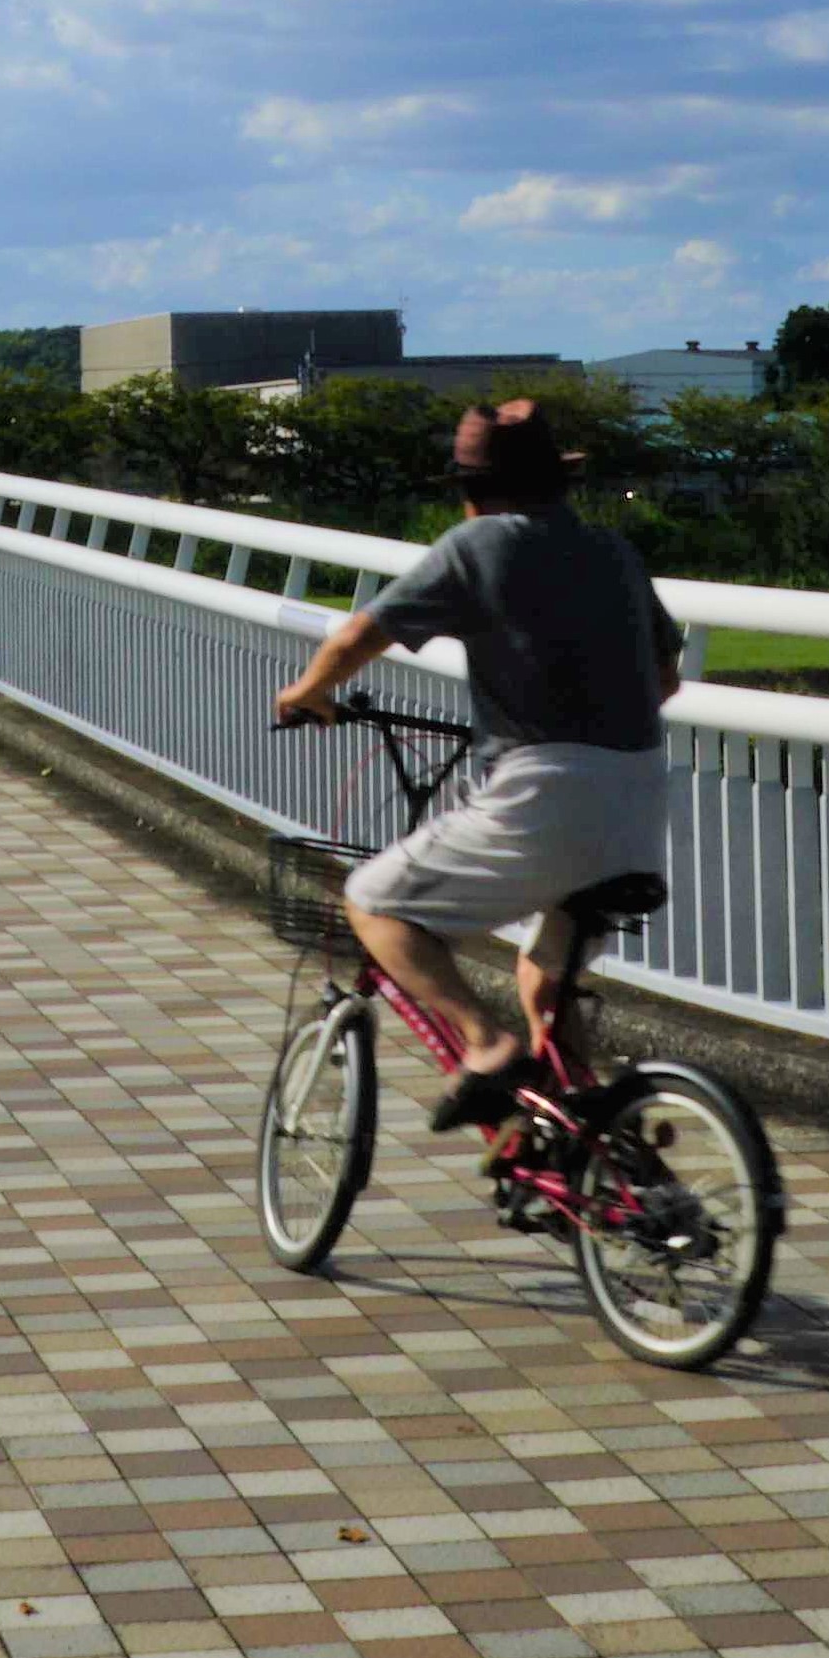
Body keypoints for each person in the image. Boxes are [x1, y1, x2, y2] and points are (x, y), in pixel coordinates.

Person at [271, 399, 679, 1132]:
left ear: (470, 487)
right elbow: (667, 679)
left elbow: (363, 633)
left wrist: (306, 692)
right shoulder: (614, 551)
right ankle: (592, 1143)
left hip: (543, 796)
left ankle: (485, 1046)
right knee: (542, 977)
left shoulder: (475, 545)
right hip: (641, 801)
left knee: (374, 901)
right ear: (559, 481)